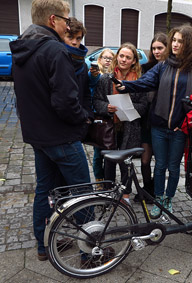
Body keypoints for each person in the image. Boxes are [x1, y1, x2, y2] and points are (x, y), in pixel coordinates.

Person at [9, 0, 92, 261]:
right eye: (67, 19)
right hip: (61, 136)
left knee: (45, 190)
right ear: (53, 20)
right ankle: (91, 250)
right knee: (83, 194)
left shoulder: (23, 47)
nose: (68, 24)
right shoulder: (55, 51)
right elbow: (66, 102)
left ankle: (44, 245)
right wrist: (84, 120)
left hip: (38, 136)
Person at [115, 25, 192, 218]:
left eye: (180, 41)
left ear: (188, 44)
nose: (175, 44)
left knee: (173, 167)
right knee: (160, 165)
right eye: (174, 40)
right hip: (158, 125)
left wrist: (184, 123)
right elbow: (146, 81)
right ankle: (158, 199)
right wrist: (127, 86)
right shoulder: (164, 65)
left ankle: (168, 199)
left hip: (180, 129)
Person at [93, 42, 148, 204]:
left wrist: (130, 108)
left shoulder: (139, 81)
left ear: (133, 61)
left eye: (128, 57)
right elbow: (96, 100)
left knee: (126, 163)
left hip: (130, 126)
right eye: (121, 56)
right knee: (108, 162)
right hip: (110, 126)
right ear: (117, 58)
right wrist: (105, 107)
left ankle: (125, 195)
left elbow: (144, 105)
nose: (124, 60)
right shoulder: (106, 78)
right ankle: (109, 191)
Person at [133, 32, 168, 203]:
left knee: (161, 162)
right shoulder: (146, 68)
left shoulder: (171, 68)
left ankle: (155, 189)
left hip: (164, 121)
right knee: (145, 160)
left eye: (160, 48)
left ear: (167, 48)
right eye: (153, 48)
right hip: (147, 120)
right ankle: (146, 190)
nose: (156, 51)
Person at [88, 48, 115, 184]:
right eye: (105, 57)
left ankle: (108, 178)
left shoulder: (113, 76)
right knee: (98, 152)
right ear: (99, 59)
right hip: (98, 117)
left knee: (109, 150)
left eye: (111, 58)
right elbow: (92, 83)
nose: (108, 60)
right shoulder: (94, 74)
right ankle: (99, 179)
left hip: (110, 116)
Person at [63, 17, 94, 135]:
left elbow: (86, 93)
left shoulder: (83, 65)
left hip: (78, 124)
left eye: (78, 38)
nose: (74, 42)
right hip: (57, 126)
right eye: (70, 37)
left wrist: (88, 117)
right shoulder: (56, 60)